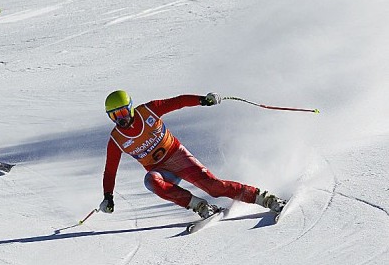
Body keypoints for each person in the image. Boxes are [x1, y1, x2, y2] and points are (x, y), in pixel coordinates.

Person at [98, 90, 287, 218]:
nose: (120, 119)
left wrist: (203, 100)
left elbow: (178, 102)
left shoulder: (148, 111)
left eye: (122, 112)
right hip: (162, 171)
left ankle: (265, 198)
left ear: (130, 107)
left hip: (178, 157)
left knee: (214, 187)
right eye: (114, 116)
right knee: (150, 181)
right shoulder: (117, 139)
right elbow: (110, 171)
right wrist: (108, 196)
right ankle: (201, 207)